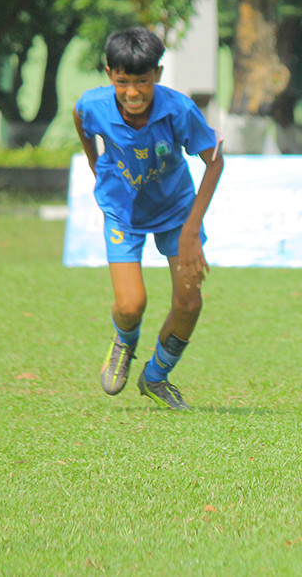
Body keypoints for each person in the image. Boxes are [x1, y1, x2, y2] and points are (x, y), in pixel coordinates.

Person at [74, 27, 224, 411]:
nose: (133, 92)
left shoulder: (179, 110)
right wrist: (98, 167)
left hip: (176, 214)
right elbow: (81, 122)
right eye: (123, 82)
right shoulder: (93, 105)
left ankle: (155, 375)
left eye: (142, 81)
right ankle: (124, 343)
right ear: (109, 75)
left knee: (189, 303)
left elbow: (214, 161)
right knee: (130, 306)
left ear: (157, 74)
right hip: (122, 213)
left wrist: (192, 230)